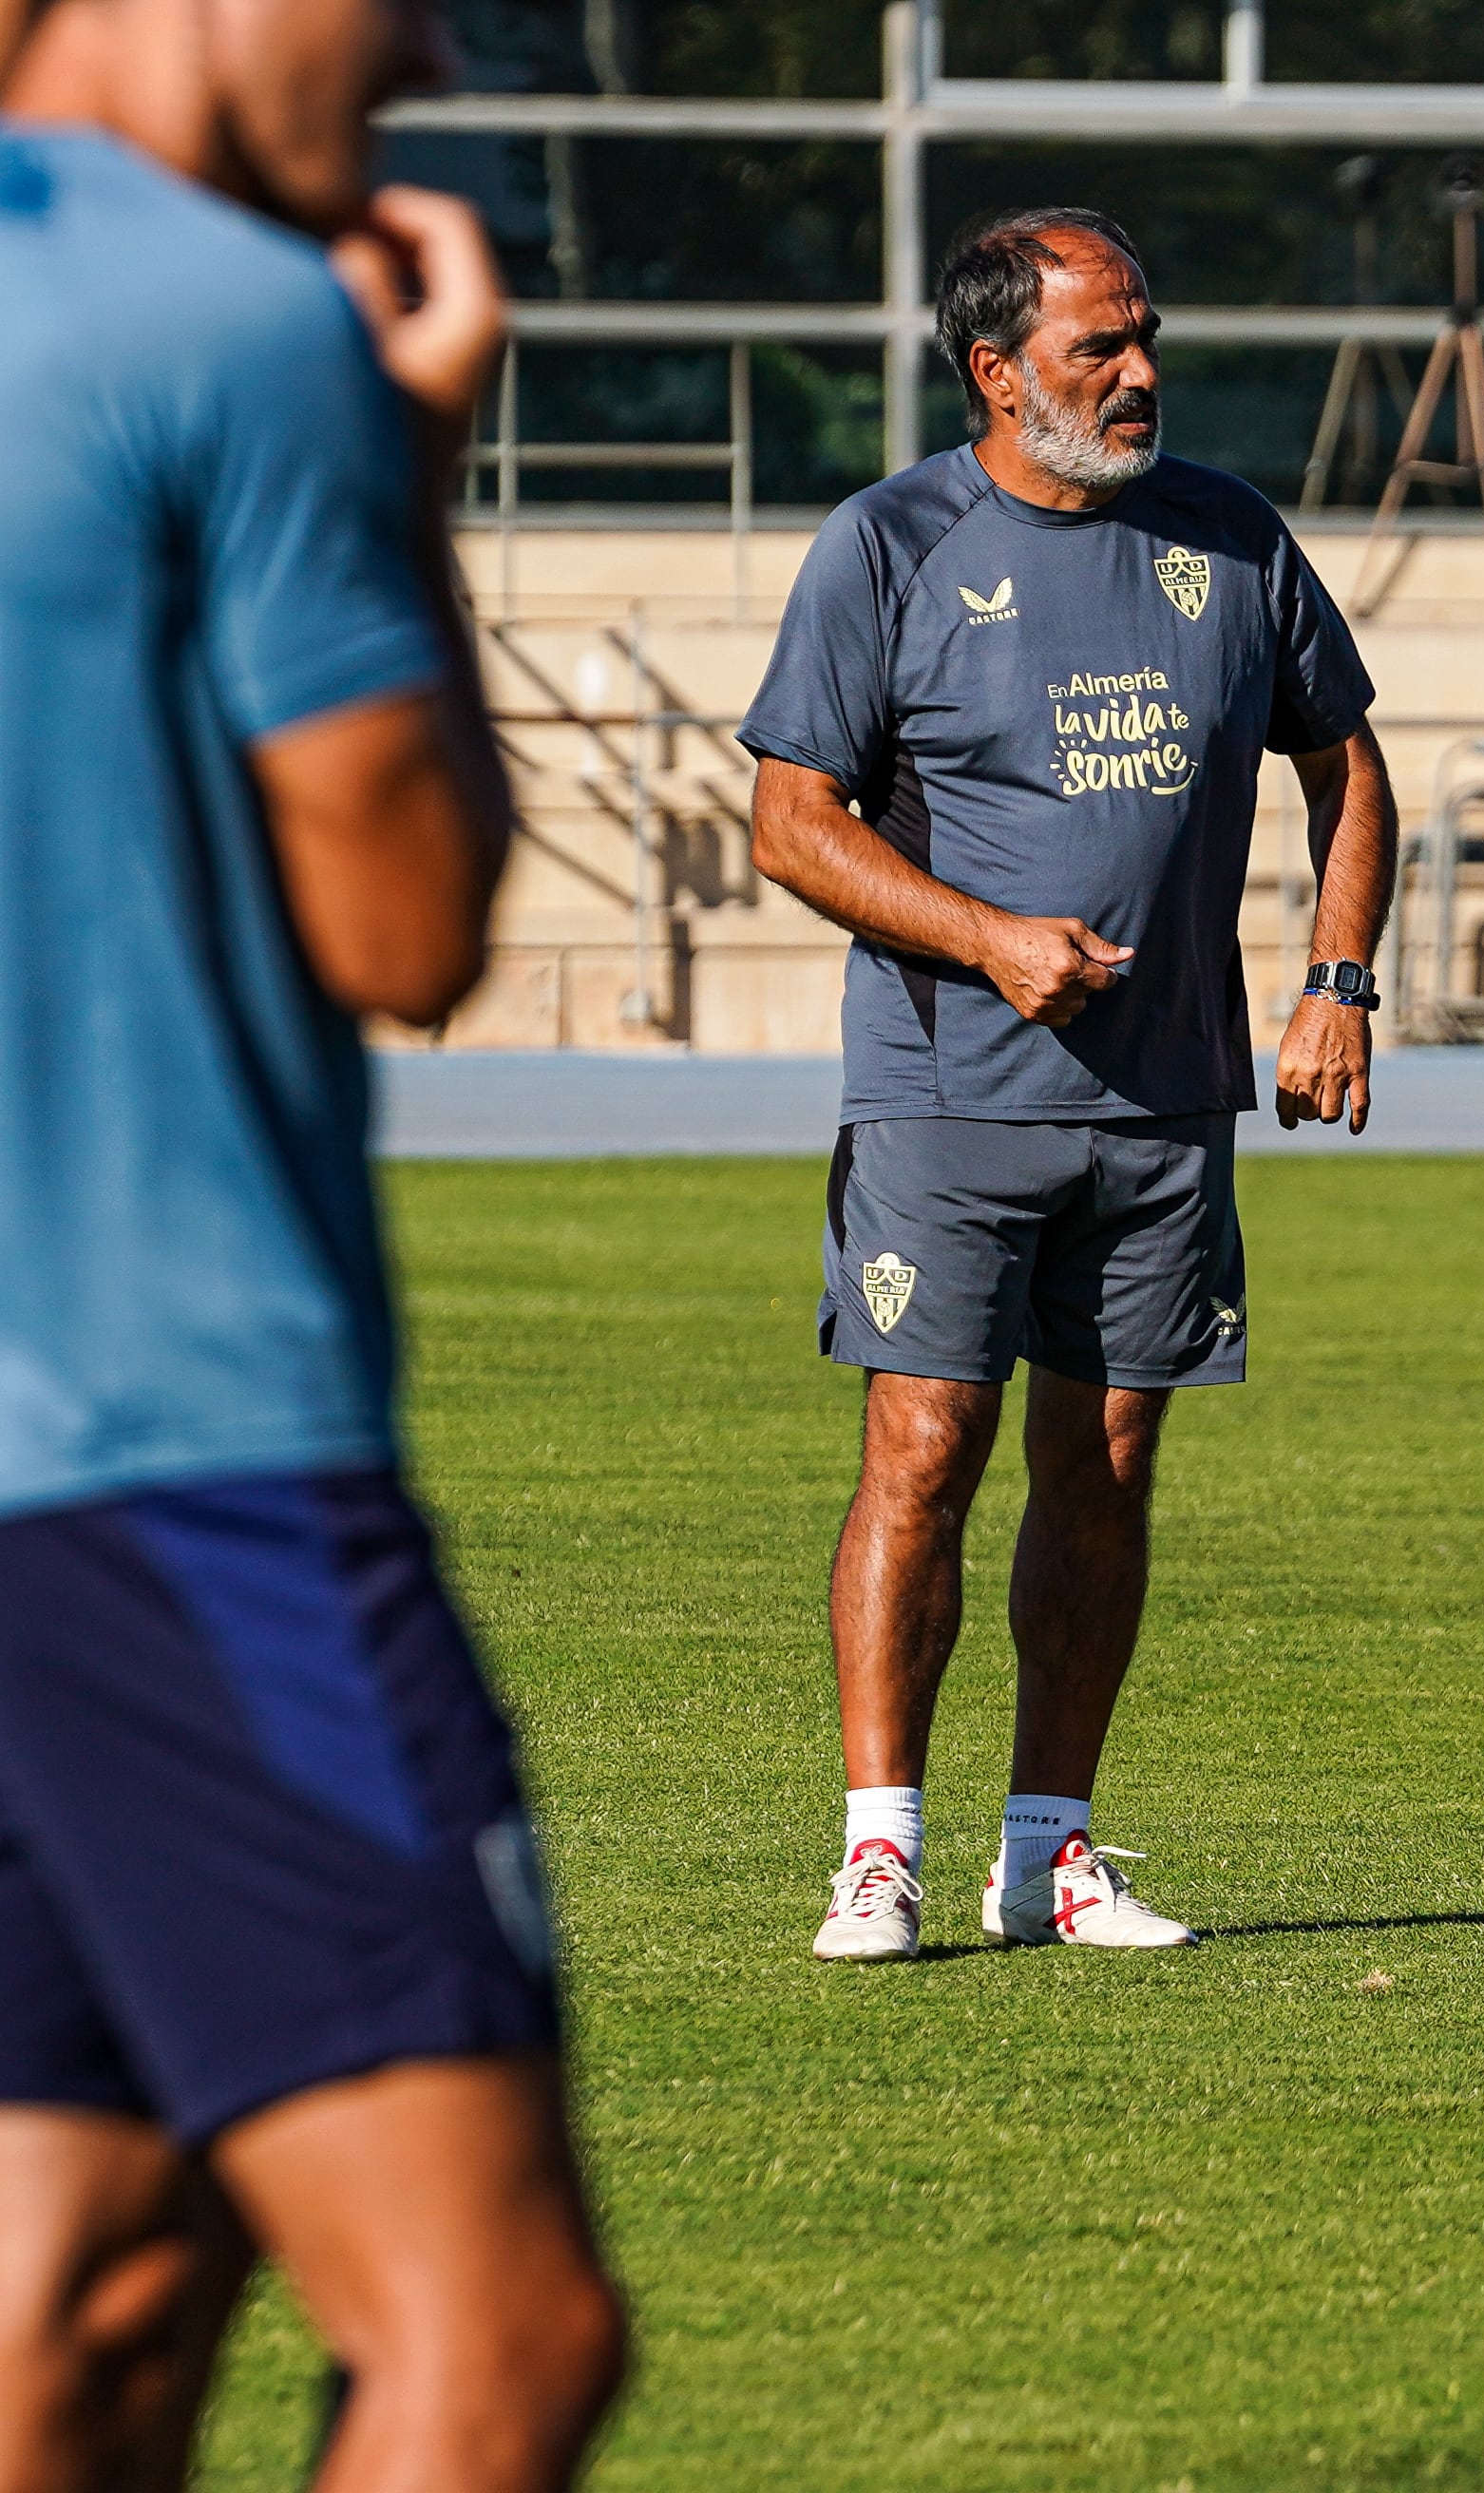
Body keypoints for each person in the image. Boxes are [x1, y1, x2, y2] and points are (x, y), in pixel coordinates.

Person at [0, 0, 630, 2484]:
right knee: (499, 2338)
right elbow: (402, 918)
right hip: (173, 1454)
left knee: (91, 2304)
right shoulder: (231, 321)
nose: (424, 69)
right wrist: (407, 455)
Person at [743, 208, 1396, 1963]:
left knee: (1105, 1469)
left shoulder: (1230, 535)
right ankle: (878, 1850)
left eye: (1144, 335)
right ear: (997, 369)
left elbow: (1349, 769)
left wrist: (1335, 981)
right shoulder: (887, 544)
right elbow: (790, 823)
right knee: (924, 1450)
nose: (1139, 372)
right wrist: (982, 936)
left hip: (1166, 1102)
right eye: (1098, 345)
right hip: (948, 1097)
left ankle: (1051, 1849)